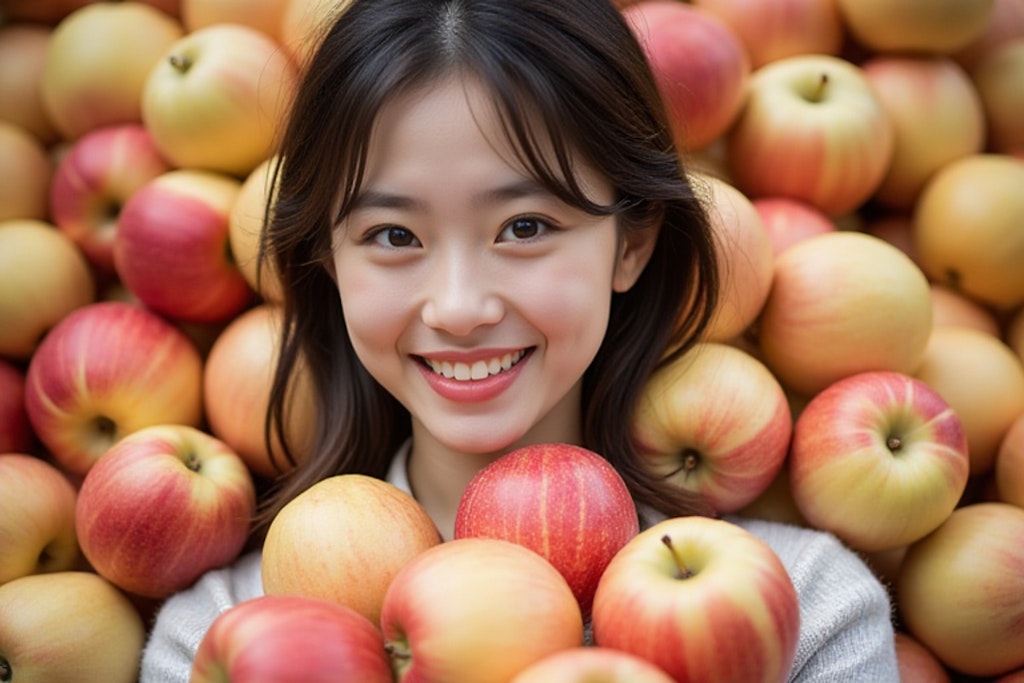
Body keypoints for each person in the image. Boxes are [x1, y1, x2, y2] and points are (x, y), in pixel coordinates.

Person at [140, 0, 899, 680]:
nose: (461, 307)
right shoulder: (217, 640)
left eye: (525, 227)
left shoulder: (803, 615)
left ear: (631, 243)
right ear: (329, 259)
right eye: (394, 234)